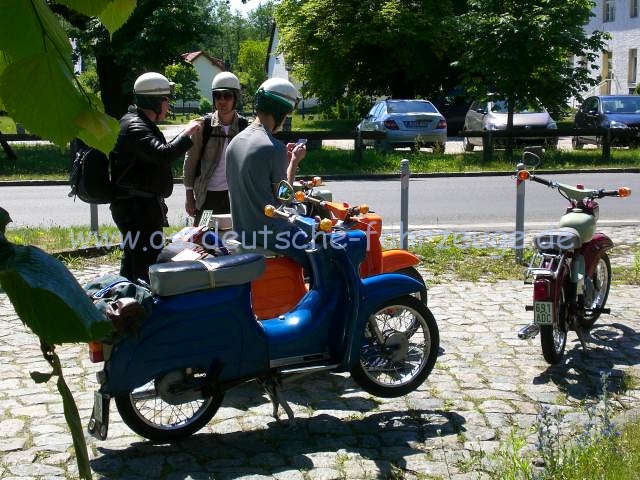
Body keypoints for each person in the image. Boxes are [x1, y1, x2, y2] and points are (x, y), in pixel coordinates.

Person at [110, 72, 201, 282]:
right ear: (155, 101)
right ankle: (143, 308)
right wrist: (186, 134)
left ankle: (125, 302)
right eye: (166, 99)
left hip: (137, 207)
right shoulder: (135, 126)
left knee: (133, 261)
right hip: (137, 210)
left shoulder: (135, 122)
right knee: (147, 265)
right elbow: (163, 154)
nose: (168, 105)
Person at [225, 77, 309, 268]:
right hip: (271, 233)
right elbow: (285, 198)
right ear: (280, 112)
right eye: (286, 114)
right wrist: (294, 162)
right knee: (324, 255)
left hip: (242, 231)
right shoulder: (273, 147)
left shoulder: (235, 142)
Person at [183, 72, 248, 226]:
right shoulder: (203, 126)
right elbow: (190, 161)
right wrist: (189, 195)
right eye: (217, 96)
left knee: (231, 238)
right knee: (203, 234)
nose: (222, 100)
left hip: (234, 196)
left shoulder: (245, 127)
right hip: (208, 197)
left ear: (236, 98)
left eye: (227, 96)